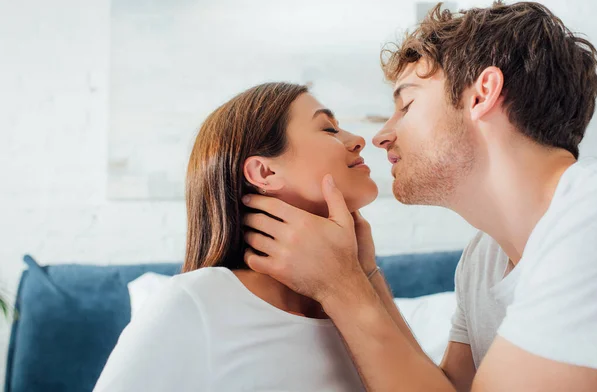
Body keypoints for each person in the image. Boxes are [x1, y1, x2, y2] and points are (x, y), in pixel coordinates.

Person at [242, 1, 597, 392]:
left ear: (482, 95)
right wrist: (365, 276)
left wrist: (340, 288)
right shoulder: (483, 260)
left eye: (406, 104)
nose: (380, 136)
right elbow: (443, 387)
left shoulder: (588, 221)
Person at [93, 82, 383, 391]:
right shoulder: (194, 303)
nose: (359, 140)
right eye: (328, 129)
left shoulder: (359, 306)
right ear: (265, 173)